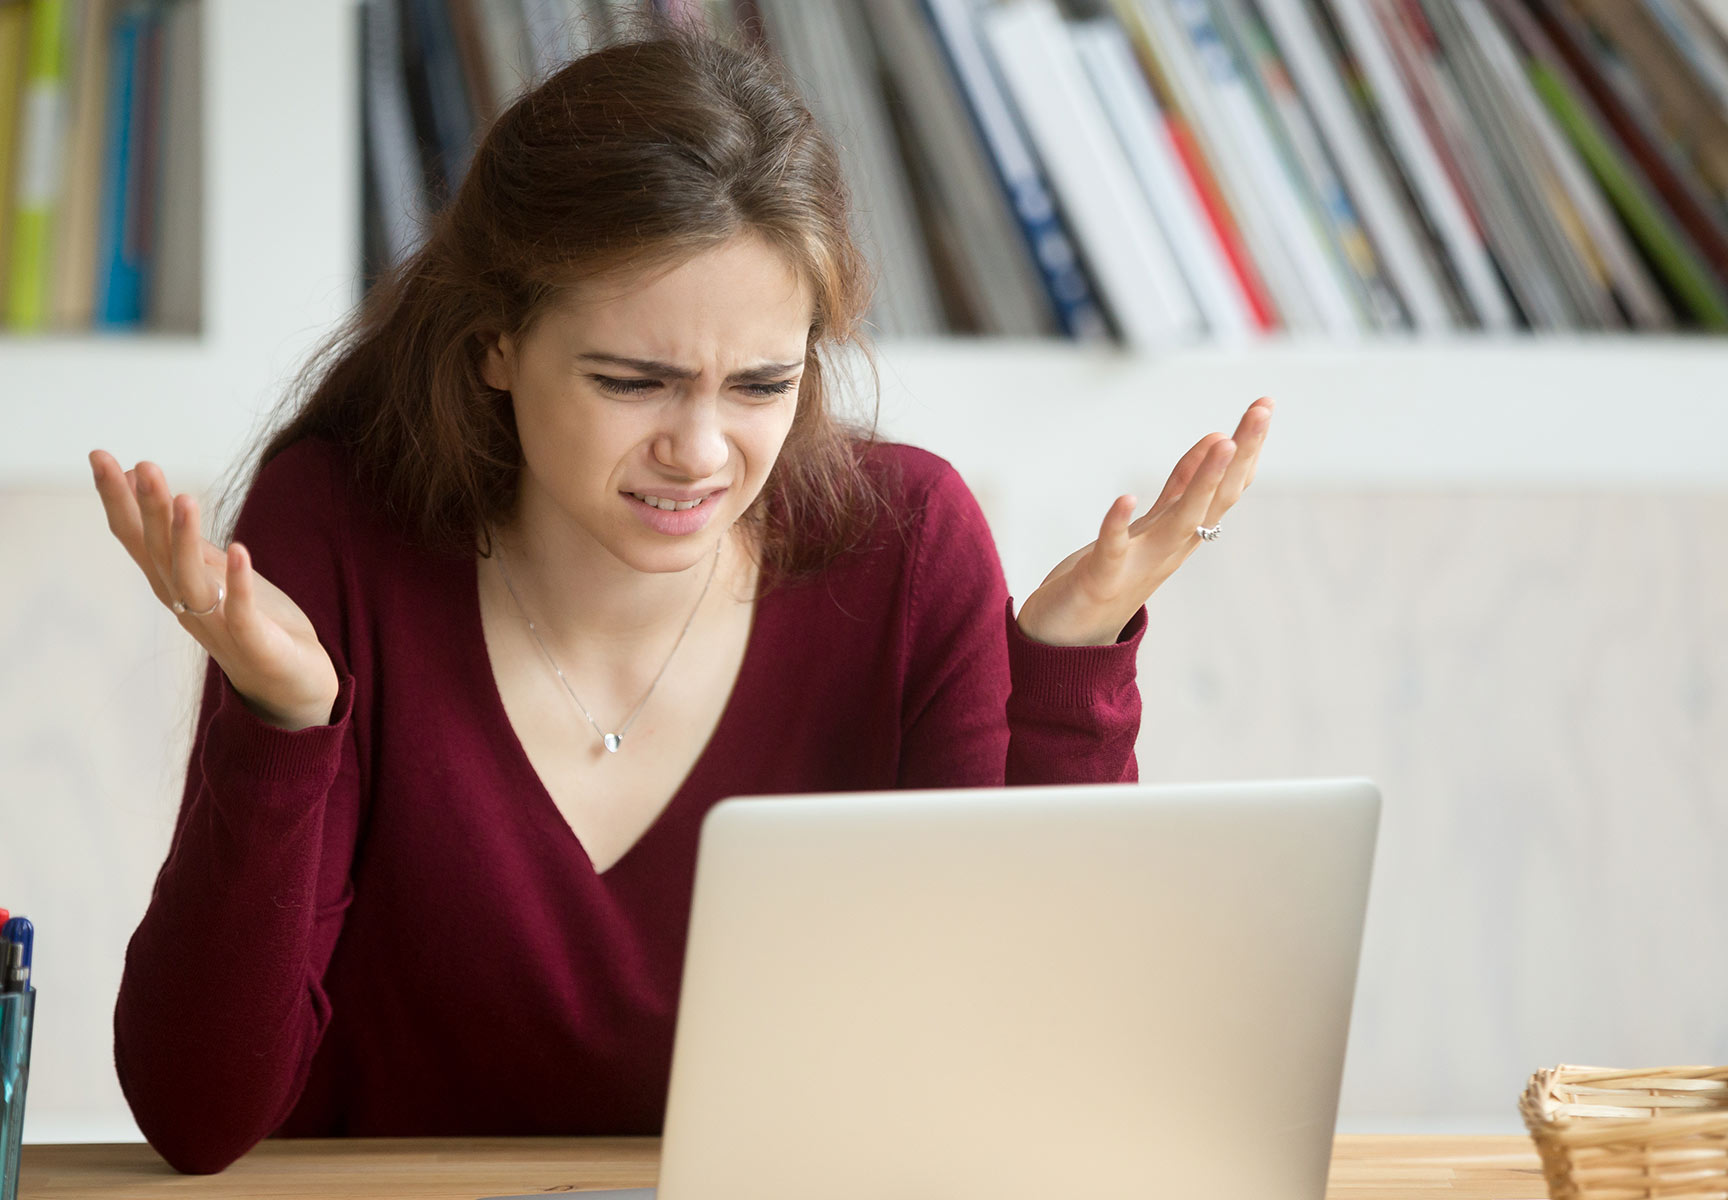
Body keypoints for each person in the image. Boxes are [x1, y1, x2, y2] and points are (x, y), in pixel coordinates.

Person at [90, 19, 1271, 1177]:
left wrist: (1065, 673)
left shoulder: (906, 547)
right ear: (495, 340)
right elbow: (200, 1114)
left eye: (763, 384)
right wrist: (284, 722)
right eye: (632, 381)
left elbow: (1031, 1088)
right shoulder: (336, 529)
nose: (702, 452)